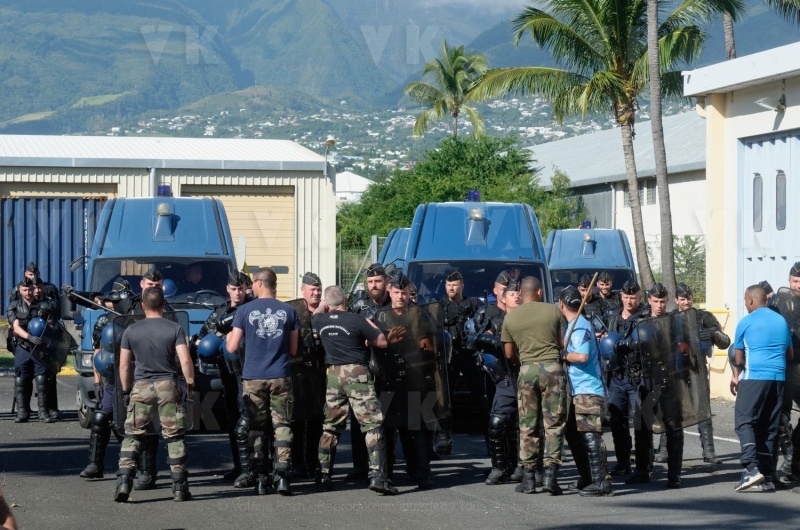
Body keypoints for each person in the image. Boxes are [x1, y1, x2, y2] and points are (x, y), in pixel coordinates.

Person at [113, 287, 195, 503]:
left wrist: (125, 390)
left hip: (141, 387)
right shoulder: (174, 328)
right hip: (168, 386)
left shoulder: (130, 331)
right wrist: (190, 385)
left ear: (142, 304)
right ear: (163, 304)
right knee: (174, 436)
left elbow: (124, 365)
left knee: (133, 435)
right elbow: (185, 361)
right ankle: (179, 487)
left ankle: (124, 481)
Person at [312, 285, 396, 494]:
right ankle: (378, 476)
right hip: (357, 373)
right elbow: (382, 342)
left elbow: (316, 312)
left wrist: (324, 303)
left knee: (331, 426)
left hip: (333, 375)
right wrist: (369, 324)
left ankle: (323, 475)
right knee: (372, 424)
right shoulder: (356, 320)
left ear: (327, 302)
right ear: (347, 301)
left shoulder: (319, 320)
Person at [226, 267, 299, 496]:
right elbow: (294, 349)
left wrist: (229, 335)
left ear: (258, 283)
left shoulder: (245, 310)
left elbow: (231, 347)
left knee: (256, 428)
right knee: (282, 426)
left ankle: (260, 478)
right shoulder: (289, 310)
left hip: (254, 377)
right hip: (280, 375)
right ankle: (283, 476)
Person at [502, 276, 566, 495]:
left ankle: (528, 479)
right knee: (553, 423)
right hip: (552, 369)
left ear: (521, 293)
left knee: (527, 425)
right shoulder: (554, 311)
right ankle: (550, 476)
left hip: (527, 369)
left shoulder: (510, 318)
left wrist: (526, 361)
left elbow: (509, 353)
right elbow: (561, 343)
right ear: (539, 292)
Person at [656, 283, 729, 465]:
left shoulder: (703, 317)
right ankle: (664, 451)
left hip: (697, 368)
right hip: (674, 369)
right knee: (671, 410)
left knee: (702, 408)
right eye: (682, 299)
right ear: (676, 300)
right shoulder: (670, 318)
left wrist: (712, 334)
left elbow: (725, 341)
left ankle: (709, 451)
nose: (686, 302)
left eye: (688, 298)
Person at [731, 285, 793, 492]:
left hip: (754, 378)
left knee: (744, 421)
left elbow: (738, 359)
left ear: (750, 301)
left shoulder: (746, 322)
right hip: (778, 380)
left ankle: (750, 469)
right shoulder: (781, 321)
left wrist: (735, 376)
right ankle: (766, 476)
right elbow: (790, 354)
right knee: (769, 426)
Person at [195, 271, 252, 484]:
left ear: (247, 288)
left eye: (241, 288)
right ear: (227, 289)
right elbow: (201, 339)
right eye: (234, 289)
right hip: (228, 374)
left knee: (250, 421)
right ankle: (239, 466)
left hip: (249, 373)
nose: (238, 293)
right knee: (233, 419)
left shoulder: (253, 309)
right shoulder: (218, 313)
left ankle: (254, 467)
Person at [379, 273, 435, 490]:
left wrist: (419, 354)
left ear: (409, 293)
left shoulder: (419, 316)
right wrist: (388, 343)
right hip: (388, 380)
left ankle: (421, 473)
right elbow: (374, 347)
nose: (400, 296)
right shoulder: (380, 316)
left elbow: (427, 345)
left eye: (404, 292)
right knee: (387, 430)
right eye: (396, 292)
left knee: (416, 429)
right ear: (389, 292)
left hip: (413, 379)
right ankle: (386, 475)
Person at [626, 282, 685, 488]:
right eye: (655, 301)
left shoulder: (675, 322)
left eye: (662, 301)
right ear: (649, 300)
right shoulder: (640, 322)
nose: (659, 305)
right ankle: (642, 469)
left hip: (670, 380)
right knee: (643, 426)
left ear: (667, 301)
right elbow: (624, 348)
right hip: (648, 379)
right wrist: (629, 345)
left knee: (674, 427)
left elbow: (686, 348)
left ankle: (674, 473)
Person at [558, 285, 612, 497]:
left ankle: (601, 483)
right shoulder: (574, 324)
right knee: (574, 434)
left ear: (561, 303)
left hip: (589, 390)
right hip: (578, 391)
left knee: (591, 436)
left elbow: (580, 356)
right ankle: (587, 477)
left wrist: (564, 355)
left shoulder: (579, 326)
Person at [347, 263, 392, 480]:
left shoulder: (397, 303)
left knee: (389, 419)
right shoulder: (358, 306)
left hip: (391, 368)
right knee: (359, 421)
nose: (374, 285)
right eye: (371, 282)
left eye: (378, 281)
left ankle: (387, 466)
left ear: (386, 282)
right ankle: (360, 466)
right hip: (364, 369)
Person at [603, 279, 647, 476]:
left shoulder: (645, 317)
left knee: (642, 422)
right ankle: (623, 461)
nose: (630, 301)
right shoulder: (612, 317)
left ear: (639, 297)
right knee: (617, 421)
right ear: (621, 297)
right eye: (626, 297)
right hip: (616, 375)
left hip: (638, 377)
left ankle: (643, 465)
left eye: (633, 297)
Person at [437, 269, 482, 456]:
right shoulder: (439, 306)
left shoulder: (473, 304)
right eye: (448, 285)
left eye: (454, 285)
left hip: (469, 355)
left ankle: (492, 439)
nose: (451, 288)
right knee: (446, 399)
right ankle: (444, 440)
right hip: (450, 357)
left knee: (481, 398)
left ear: (462, 286)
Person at [483, 281, 523, 485]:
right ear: (503, 298)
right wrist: (495, 344)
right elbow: (476, 338)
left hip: (526, 376)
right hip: (505, 378)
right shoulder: (495, 320)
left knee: (523, 425)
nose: (516, 296)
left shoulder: (528, 319)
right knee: (497, 422)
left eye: (519, 293)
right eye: (512, 294)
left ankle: (521, 466)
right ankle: (499, 467)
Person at [290, 271, 326, 479]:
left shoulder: (327, 312)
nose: (316, 293)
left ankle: (313, 461)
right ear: (302, 290)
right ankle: (297, 462)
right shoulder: (294, 312)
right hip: (298, 374)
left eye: (319, 289)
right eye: (312, 289)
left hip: (319, 375)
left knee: (316, 422)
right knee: (296, 422)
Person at [766, 263, 800, 483]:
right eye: (796, 281)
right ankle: (777, 469)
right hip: (784, 365)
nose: (799, 286)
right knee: (780, 417)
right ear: (789, 280)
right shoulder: (777, 302)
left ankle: (794, 459)